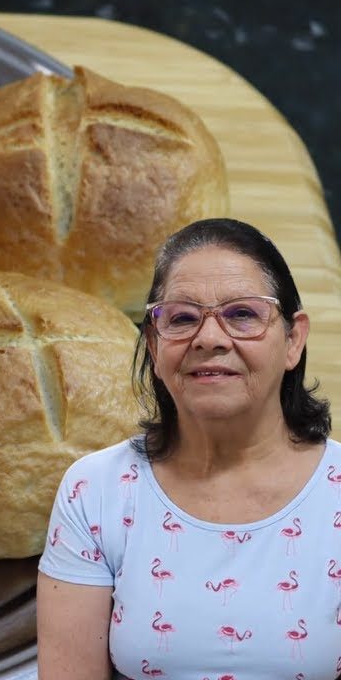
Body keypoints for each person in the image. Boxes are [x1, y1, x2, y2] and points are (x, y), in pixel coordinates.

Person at [36, 218, 338, 679]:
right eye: (181, 318)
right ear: (154, 348)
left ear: (293, 339)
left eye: (242, 314)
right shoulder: (95, 491)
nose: (210, 338)